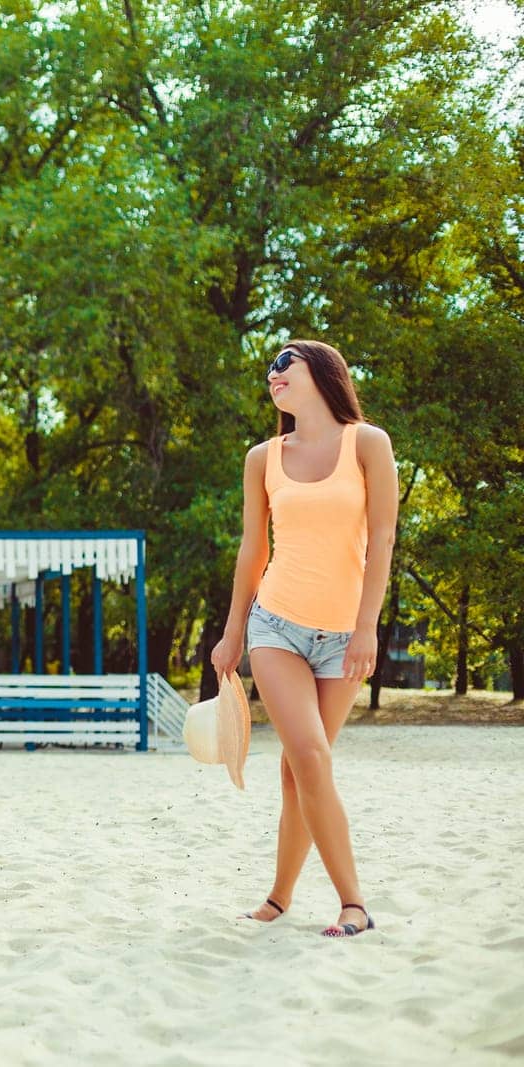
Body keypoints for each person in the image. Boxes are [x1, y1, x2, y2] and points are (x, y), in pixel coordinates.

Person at [210, 340, 398, 938]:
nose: (272, 374)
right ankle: (353, 904)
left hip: (345, 633)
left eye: (283, 363)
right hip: (276, 624)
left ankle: (279, 897)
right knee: (311, 757)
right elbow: (253, 548)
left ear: (321, 371)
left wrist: (368, 626)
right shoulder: (261, 456)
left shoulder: (368, 444)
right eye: (268, 369)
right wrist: (233, 629)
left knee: (299, 770)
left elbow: (384, 539)